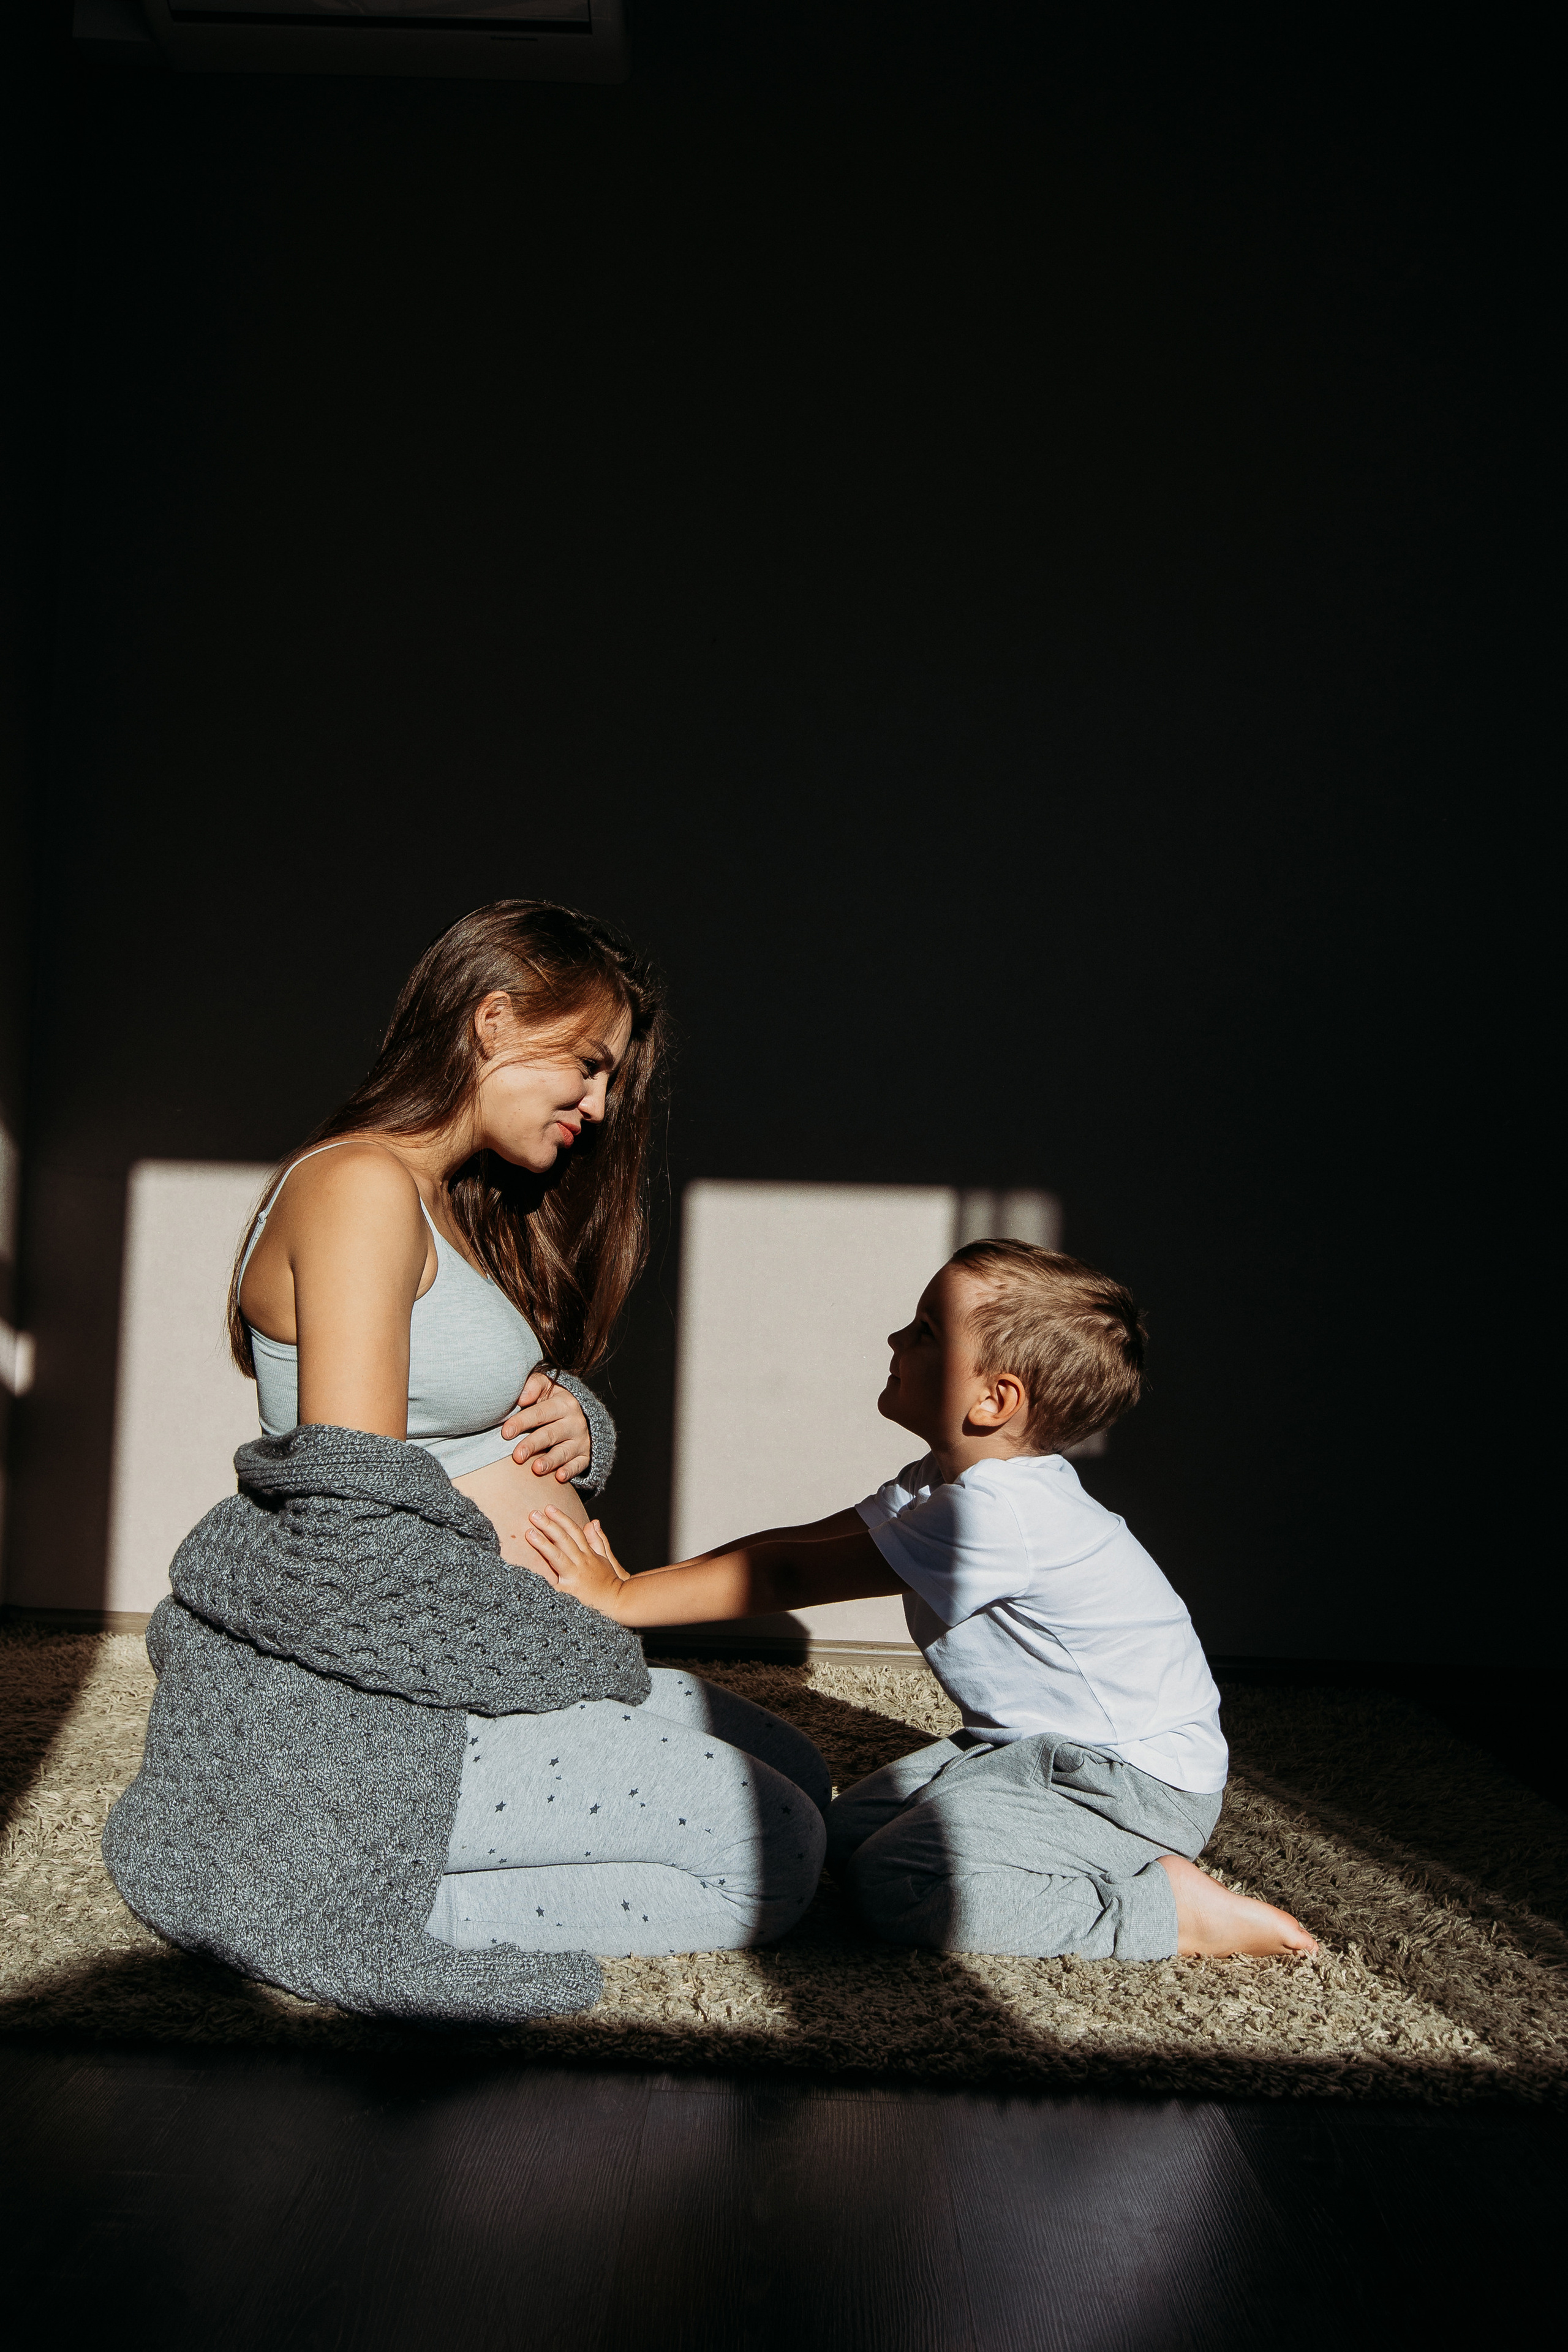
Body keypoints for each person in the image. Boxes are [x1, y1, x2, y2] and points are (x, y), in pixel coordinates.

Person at [103, 902, 828, 2023]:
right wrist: (586, 1652)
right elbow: (351, 1537)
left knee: (801, 1773)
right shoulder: (357, 1186)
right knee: (775, 1852)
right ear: (493, 1022)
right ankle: (326, 1877)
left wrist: (579, 1425)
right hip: (392, 1711)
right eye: (587, 1065)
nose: (597, 1104)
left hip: (478, 1668)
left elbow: (459, 1423)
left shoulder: (447, 1198)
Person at [525, 1237, 1319, 1965]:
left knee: (898, 1886)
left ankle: (1165, 1912)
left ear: (994, 1401)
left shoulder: (995, 1516)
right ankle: (1084, 1856)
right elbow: (793, 1551)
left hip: (1125, 1780)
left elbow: (791, 1583)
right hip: (1022, 1749)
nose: (896, 1343)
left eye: (926, 1331)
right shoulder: (942, 1484)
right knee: (837, 1837)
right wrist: (638, 1584)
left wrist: (622, 1598)